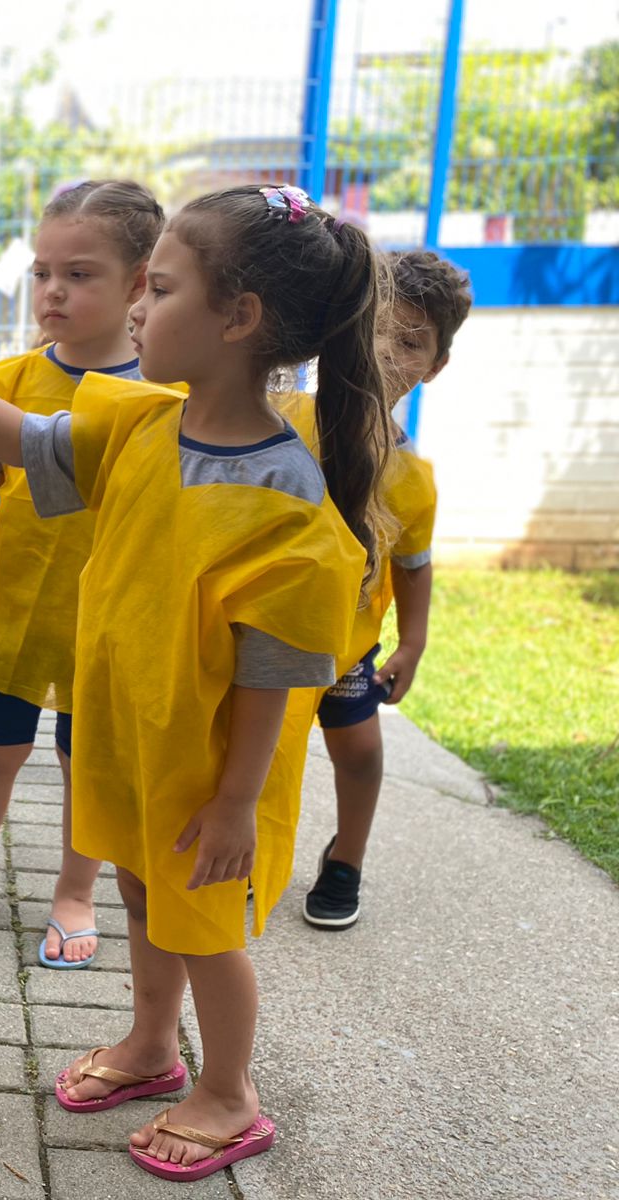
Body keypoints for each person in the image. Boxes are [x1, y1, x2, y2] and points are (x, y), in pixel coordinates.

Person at [0, 182, 387, 1181]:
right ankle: (152, 1046)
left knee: (206, 933)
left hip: (212, 780)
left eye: (161, 287)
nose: (139, 308)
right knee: (144, 904)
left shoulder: (283, 499)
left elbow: (274, 679)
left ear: (237, 320)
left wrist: (235, 803)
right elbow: (23, 440)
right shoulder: (142, 423)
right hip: (133, 743)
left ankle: (229, 1091)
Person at [0, 181, 163, 971]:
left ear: (139, 280)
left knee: (85, 766)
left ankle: (76, 893)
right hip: (20, 608)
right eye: (45, 272)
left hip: (111, 624)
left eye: (79, 274)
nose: (54, 290)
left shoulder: (165, 395)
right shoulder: (5, 383)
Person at [287, 248, 469, 929]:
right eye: (376, 330)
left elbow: (414, 568)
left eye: (412, 342)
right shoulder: (282, 421)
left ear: (436, 365)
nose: (388, 352)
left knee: (359, 754)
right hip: (259, 644)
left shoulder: (413, 478)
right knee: (253, 760)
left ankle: (346, 860)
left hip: (345, 651)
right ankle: (245, 853)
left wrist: (412, 643)